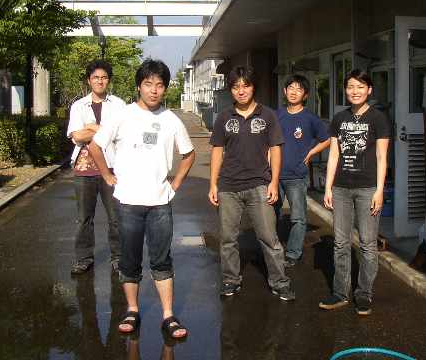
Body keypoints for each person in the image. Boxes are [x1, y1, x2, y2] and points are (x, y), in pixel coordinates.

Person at [89, 59, 195, 339]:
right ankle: (132, 310)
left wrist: (175, 184)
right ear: (139, 86)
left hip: (160, 203)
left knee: (162, 260)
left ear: (165, 88)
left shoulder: (171, 119)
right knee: (129, 259)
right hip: (127, 203)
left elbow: (188, 154)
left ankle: (168, 315)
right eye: (148, 84)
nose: (154, 90)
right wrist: (107, 175)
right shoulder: (122, 115)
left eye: (160, 85)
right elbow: (96, 146)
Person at [208, 65, 295, 301]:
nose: (241, 91)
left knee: (269, 237)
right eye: (236, 87)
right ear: (231, 90)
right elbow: (217, 151)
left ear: (253, 87)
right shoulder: (224, 117)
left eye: (245, 86)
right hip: (228, 187)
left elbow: (275, 149)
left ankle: (280, 282)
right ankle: (230, 279)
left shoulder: (268, 116)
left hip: (259, 184)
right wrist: (213, 184)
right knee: (228, 239)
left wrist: (274, 182)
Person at [319, 69, 390, 315]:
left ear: (369, 90)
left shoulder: (378, 118)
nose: (355, 91)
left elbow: (381, 157)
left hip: (368, 188)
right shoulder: (339, 118)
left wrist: (379, 191)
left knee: (368, 244)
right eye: (350, 86)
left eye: (360, 86)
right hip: (341, 188)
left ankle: (364, 294)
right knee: (341, 243)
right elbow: (334, 155)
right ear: (345, 90)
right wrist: (328, 187)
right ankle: (340, 292)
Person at [66, 59, 126, 275]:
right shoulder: (78, 106)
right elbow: (76, 136)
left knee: (116, 217)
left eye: (104, 77)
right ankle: (83, 258)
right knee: (84, 218)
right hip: (84, 169)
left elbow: (121, 133)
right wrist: (104, 130)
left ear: (109, 80)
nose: (100, 81)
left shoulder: (119, 105)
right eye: (95, 78)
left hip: (112, 168)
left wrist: (91, 127)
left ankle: (119, 257)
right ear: (89, 80)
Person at [275, 74, 330, 266]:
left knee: (298, 218)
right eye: (291, 88)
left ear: (305, 95)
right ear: (285, 91)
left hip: (297, 176)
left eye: (299, 89)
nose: (294, 92)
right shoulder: (277, 115)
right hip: (274, 175)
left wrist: (311, 152)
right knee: (271, 215)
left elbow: (327, 139)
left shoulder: (310, 118)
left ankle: (293, 253)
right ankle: (272, 251)